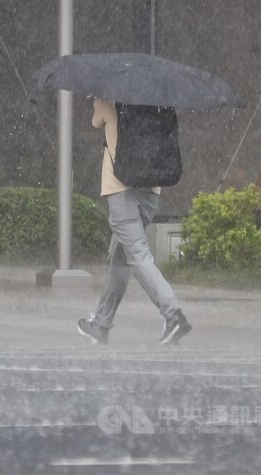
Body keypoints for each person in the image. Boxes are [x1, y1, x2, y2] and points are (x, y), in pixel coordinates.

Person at [77, 98, 192, 346]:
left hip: (121, 191)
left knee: (138, 256)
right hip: (151, 193)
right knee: (120, 257)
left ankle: (173, 316)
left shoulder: (108, 103)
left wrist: (98, 98)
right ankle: (101, 324)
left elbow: (95, 121)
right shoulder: (156, 105)